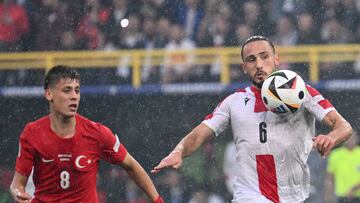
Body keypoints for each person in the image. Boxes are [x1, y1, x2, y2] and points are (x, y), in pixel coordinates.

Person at [152, 35, 353, 203]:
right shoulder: (234, 102)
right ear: (243, 67)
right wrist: (179, 151)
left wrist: (331, 138)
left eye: (264, 57)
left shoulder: (301, 92)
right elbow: (199, 135)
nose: (258, 64)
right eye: (251, 59)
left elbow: (343, 126)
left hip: (294, 195)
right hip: (250, 195)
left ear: (276, 59)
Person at [9, 65, 164, 203]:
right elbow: (17, 184)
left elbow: (131, 165)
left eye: (77, 90)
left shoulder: (97, 133)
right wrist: (19, 194)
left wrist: (158, 200)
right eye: (67, 90)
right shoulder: (32, 133)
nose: (74, 96)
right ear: (49, 94)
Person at [325, 131, 360, 203]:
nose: (350, 141)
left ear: (357, 139)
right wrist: (328, 195)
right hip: (342, 196)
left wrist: (355, 188)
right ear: (343, 140)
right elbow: (330, 177)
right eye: (348, 138)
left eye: (353, 138)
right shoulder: (335, 155)